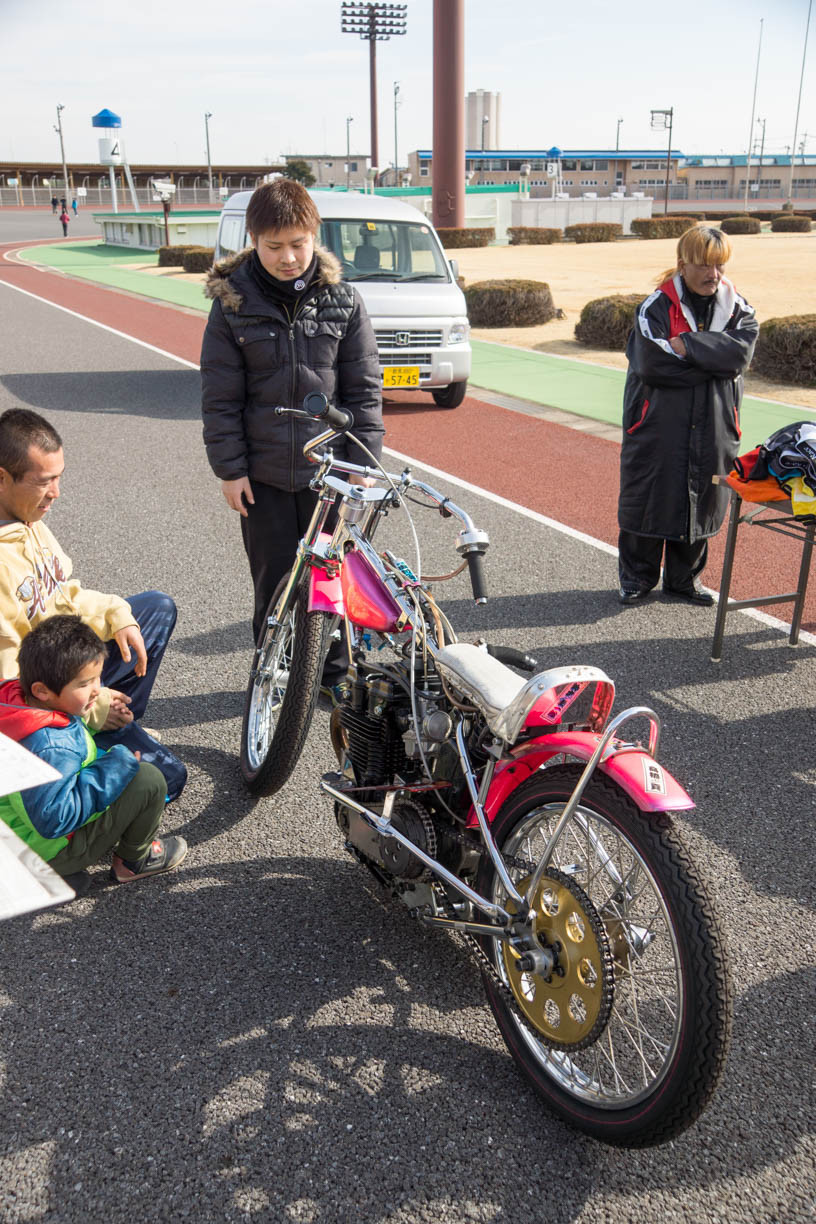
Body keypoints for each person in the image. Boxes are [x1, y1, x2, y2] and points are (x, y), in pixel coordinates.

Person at [200, 178, 384, 689]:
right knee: (275, 582)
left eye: (298, 244)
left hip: (332, 475)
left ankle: (332, 677)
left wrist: (363, 467)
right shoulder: (232, 304)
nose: (288, 257)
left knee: (332, 581)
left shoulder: (343, 300)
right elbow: (220, 397)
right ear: (253, 241)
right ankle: (274, 675)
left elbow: (364, 391)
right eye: (274, 246)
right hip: (263, 478)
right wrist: (230, 470)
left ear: (314, 236)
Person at [0, 408, 187, 800]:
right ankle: (79, 748)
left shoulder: (28, 523)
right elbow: (11, 686)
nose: (56, 492)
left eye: (59, 477)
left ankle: (115, 723)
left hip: (62, 665)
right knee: (168, 779)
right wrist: (93, 704)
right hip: (32, 699)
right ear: (2, 479)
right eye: (44, 481)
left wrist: (117, 615)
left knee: (153, 610)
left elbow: (65, 597)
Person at [617, 224, 759, 606]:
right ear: (683, 264)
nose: (714, 274)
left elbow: (740, 354)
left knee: (702, 495)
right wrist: (713, 363)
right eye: (704, 265)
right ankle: (637, 578)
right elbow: (652, 364)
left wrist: (688, 346)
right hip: (656, 424)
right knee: (650, 495)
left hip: (714, 423)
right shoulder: (656, 307)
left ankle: (684, 580)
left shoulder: (738, 308)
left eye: (720, 265)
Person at [0, 616, 187, 893]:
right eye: (85, 683)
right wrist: (115, 767)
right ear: (42, 690)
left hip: (14, 833)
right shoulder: (50, 746)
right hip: (40, 847)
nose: (98, 689)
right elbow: (54, 819)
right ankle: (133, 862)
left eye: (98, 677)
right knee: (148, 780)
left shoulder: (14, 700)